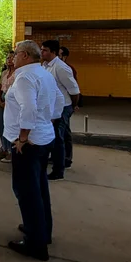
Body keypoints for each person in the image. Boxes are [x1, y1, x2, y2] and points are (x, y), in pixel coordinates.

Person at [4, 40, 64, 262]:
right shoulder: (44, 73)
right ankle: (42, 230)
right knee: (39, 188)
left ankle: (35, 243)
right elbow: (58, 100)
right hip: (44, 137)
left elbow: (28, 108)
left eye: (16, 53)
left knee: (26, 192)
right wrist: (46, 120)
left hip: (29, 144)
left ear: (26, 55)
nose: (13, 57)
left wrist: (22, 138)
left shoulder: (25, 77)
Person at [41, 40, 80, 181]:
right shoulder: (45, 66)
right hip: (51, 106)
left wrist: (71, 107)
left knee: (58, 138)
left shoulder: (61, 67)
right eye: (41, 49)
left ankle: (58, 170)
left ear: (53, 52)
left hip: (62, 107)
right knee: (58, 136)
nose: (42, 52)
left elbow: (74, 90)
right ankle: (60, 160)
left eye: (44, 50)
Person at [0, 52, 15, 163]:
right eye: (7, 58)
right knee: (0, 125)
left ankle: (10, 151)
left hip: (11, 103)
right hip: (2, 101)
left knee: (9, 126)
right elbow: (0, 88)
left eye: (12, 57)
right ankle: (4, 147)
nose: (9, 59)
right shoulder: (4, 73)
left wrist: (7, 102)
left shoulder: (17, 73)